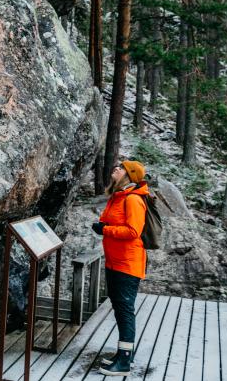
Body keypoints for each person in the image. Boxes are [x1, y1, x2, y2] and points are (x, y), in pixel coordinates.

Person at [90, 159, 149, 377]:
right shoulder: (118, 196)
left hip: (127, 263)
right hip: (115, 261)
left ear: (130, 175)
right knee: (120, 308)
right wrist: (104, 227)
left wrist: (105, 230)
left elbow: (133, 231)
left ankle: (124, 362)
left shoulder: (133, 199)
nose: (116, 168)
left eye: (121, 167)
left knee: (124, 310)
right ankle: (123, 354)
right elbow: (113, 223)